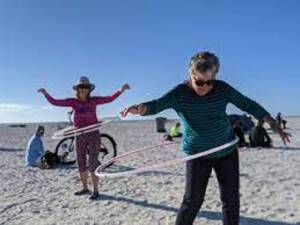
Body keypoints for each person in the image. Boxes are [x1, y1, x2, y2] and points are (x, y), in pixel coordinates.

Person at [121, 51, 290, 225]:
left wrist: (273, 124)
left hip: (226, 150)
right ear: (190, 75)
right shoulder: (179, 94)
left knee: (231, 199)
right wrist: (139, 108)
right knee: (192, 200)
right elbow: (156, 105)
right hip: (197, 154)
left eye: (210, 82)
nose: (206, 86)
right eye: (200, 82)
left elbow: (248, 104)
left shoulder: (222, 88)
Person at [38, 76, 130, 200]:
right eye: (81, 87)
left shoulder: (94, 101)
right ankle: (85, 188)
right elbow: (55, 102)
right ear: (77, 89)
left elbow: (110, 98)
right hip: (79, 135)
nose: (83, 89)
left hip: (93, 134)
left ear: (89, 89)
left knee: (92, 163)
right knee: (80, 162)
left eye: (86, 87)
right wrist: (45, 94)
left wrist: (121, 90)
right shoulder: (72, 102)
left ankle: (96, 191)